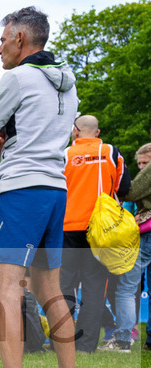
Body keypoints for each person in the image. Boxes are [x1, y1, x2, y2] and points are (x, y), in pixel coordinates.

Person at [0, 7, 80, 368]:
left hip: (20, 189)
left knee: (7, 290)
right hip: (56, 189)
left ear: (20, 40)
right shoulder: (69, 84)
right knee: (51, 290)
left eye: (2, 41)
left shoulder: (16, 77)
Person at [61, 115, 131, 352]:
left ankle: (61, 339)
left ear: (75, 132)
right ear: (97, 131)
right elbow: (124, 187)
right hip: (101, 230)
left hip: (68, 227)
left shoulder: (64, 155)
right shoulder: (112, 152)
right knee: (94, 287)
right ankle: (85, 344)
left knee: (63, 285)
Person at [115, 143, 151, 352]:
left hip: (146, 233)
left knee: (127, 288)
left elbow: (131, 192)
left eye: (145, 163)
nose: (142, 168)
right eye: (139, 164)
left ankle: (123, 340)